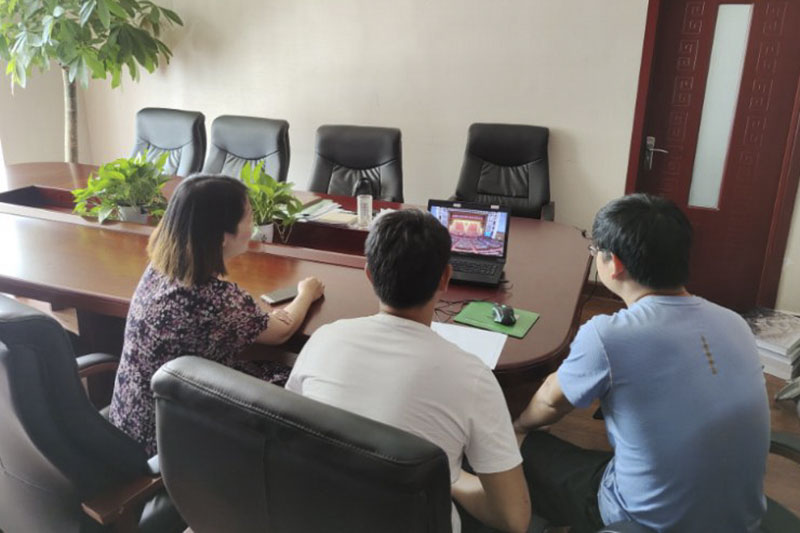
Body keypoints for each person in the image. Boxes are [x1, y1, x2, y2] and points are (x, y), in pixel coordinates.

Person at [513, 193, 770, 532]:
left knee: (519, 449)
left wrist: (518, 427)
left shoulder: (608, 336)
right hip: (742, 521)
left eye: (595, 250)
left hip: (645, 524)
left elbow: (550, 400)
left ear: (615, 264)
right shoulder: (735, 323)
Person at [286, 210, 531, 533]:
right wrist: (450, 479)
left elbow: (293, 433)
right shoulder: (473, 377)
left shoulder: (324, 339)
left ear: (369, 274)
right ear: (445, 278)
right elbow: (514, 518)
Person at [109, 175, 324, 456]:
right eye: (249, 217)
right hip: (171, 441)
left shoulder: (160, 267)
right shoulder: (214, 297)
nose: (253, 226)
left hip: (130, 423)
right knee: (302, 384)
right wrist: (306, 292)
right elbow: (281, 330)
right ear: (222, 237)